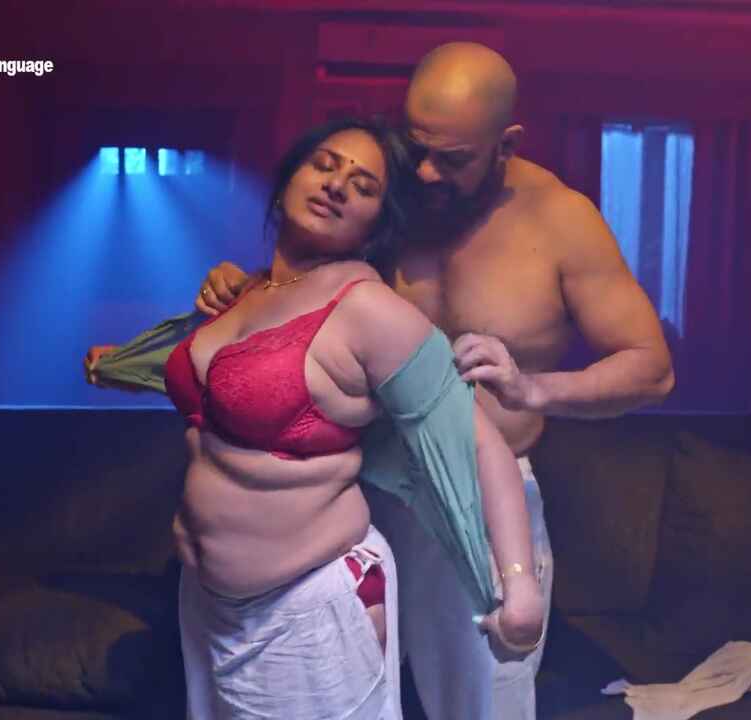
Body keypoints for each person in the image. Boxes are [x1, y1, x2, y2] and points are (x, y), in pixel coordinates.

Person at [183, 43, 675, 720]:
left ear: (506, 144)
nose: (424, 171)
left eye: (452, 158)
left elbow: (651, 368)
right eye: (417, 148)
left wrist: (534, 391)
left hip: (479, 497)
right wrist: (244, 288)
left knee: (482, 707)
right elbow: (310, 285)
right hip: (363, 489)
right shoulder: (390, 198)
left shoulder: (561, 220)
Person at [103, 117, 547, 719]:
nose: (336, 186)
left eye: (363, 187)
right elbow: (205, 396)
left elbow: (480, 443)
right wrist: (120, 362)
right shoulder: (244, 295)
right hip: (207, 605)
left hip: (309, 607)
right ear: (287, 180)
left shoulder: (369, 311)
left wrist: (520, 588)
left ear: (376, 224)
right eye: (324, 164)